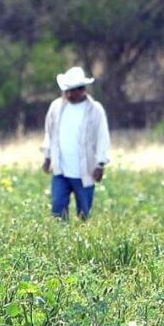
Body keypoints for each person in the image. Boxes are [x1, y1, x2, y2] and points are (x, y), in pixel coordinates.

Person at [41, 66, 111, 220]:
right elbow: (49, 133)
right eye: (66, 91)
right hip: (61, 170)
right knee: (58, 209)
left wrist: (100, 164)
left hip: (84, 171)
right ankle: (62, 240)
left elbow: (102, 137)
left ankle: (80, 240)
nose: (67, 94)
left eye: (71, 90)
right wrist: (47, 157)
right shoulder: (56, 107)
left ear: (82, 90)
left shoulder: (95, 110)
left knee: (84, 214)